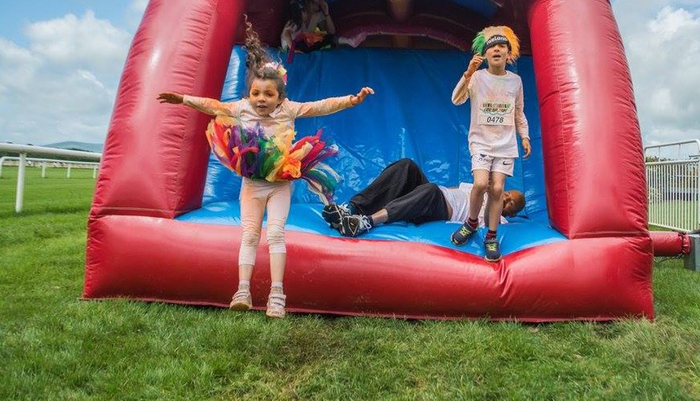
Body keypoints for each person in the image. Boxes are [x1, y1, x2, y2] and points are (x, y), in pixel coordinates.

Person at [158, 16, 374, 319]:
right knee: (248, 234)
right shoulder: (241, 107)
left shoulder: (289, 109)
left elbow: (322, 105)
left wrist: (353, 100)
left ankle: (276, 295)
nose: (262, 99)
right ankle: (242, 289)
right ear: (250, 94)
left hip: (279, 184)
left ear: (279, 96)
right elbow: (212, 105)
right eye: (257, 94)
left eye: (269, 95)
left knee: (274, 234)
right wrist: (183, 99)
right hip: (252, 184)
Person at [448, 26, 531, 262]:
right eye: (491, 47)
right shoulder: (477, 77)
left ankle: (491, 236)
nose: (496, 49)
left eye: (501, 46)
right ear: (484, 54)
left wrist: (524, 136)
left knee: (496, 189)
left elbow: (519, 112)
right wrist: (467, 74)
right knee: (480, 184)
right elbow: (456, 99)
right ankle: (471, 222)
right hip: (481, 142)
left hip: (505, 144)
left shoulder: (515, 81)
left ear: (508, 53)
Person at [320, 158, 526, 237]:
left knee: (431, 190)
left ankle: (367, 221)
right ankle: (351, 209)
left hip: (441, 209)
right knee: (407, 166)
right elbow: (453, 189)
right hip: (435, 194)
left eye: (510, 203)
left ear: (512, 212)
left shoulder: (499, 220)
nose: (506, 199)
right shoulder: (476, 187)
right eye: (508, 195)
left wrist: (494, 196)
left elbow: (491, 222)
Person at [280, 0, 366, 53]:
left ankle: (350, 41)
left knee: (325, 39)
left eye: (319, 4)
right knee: (314, 40)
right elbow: (286, 34)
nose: (317, 7)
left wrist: (326, 13)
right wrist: (293, 50)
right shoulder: (297, 20)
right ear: (306, 2)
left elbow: (330, 33)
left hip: (304, 46)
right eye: (314, 3)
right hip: (291, 47)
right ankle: (349, 41)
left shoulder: (317, 15)